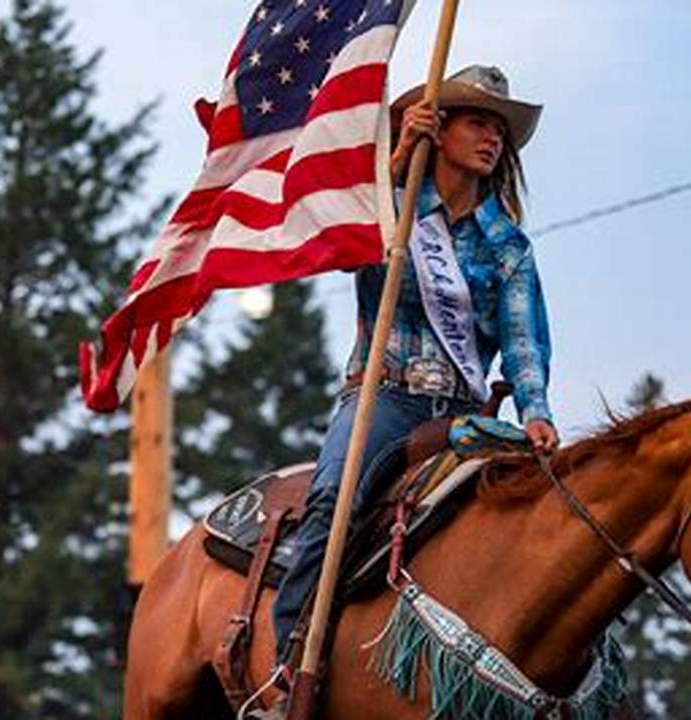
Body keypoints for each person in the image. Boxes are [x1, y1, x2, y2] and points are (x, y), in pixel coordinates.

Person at [271, 64, 559, 661]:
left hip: (463, 412)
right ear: (441, 130)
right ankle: (289, 654)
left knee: (543, 515)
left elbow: (524, 341)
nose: (492, 139)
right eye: (478, 123)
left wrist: (536, 410)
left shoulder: (508, 245)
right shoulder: (388, 208)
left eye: (499, 131)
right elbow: (336, 245)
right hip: (384, 398)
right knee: (334, 499)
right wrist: (398, 159)